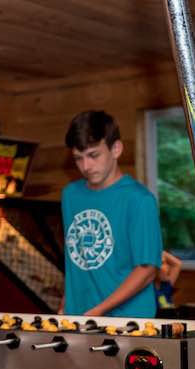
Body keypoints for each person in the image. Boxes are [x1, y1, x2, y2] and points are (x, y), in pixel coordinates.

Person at [60, 111, 163, 318]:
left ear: (116, 149)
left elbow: (147, 270)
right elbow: (76, 260)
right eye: (78, 158)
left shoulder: (139, 200)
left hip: (128, 321)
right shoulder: (70, 195)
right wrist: (65, 306)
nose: (86, 166)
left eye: (93, 155)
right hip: (79, 318)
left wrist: (99, 310)